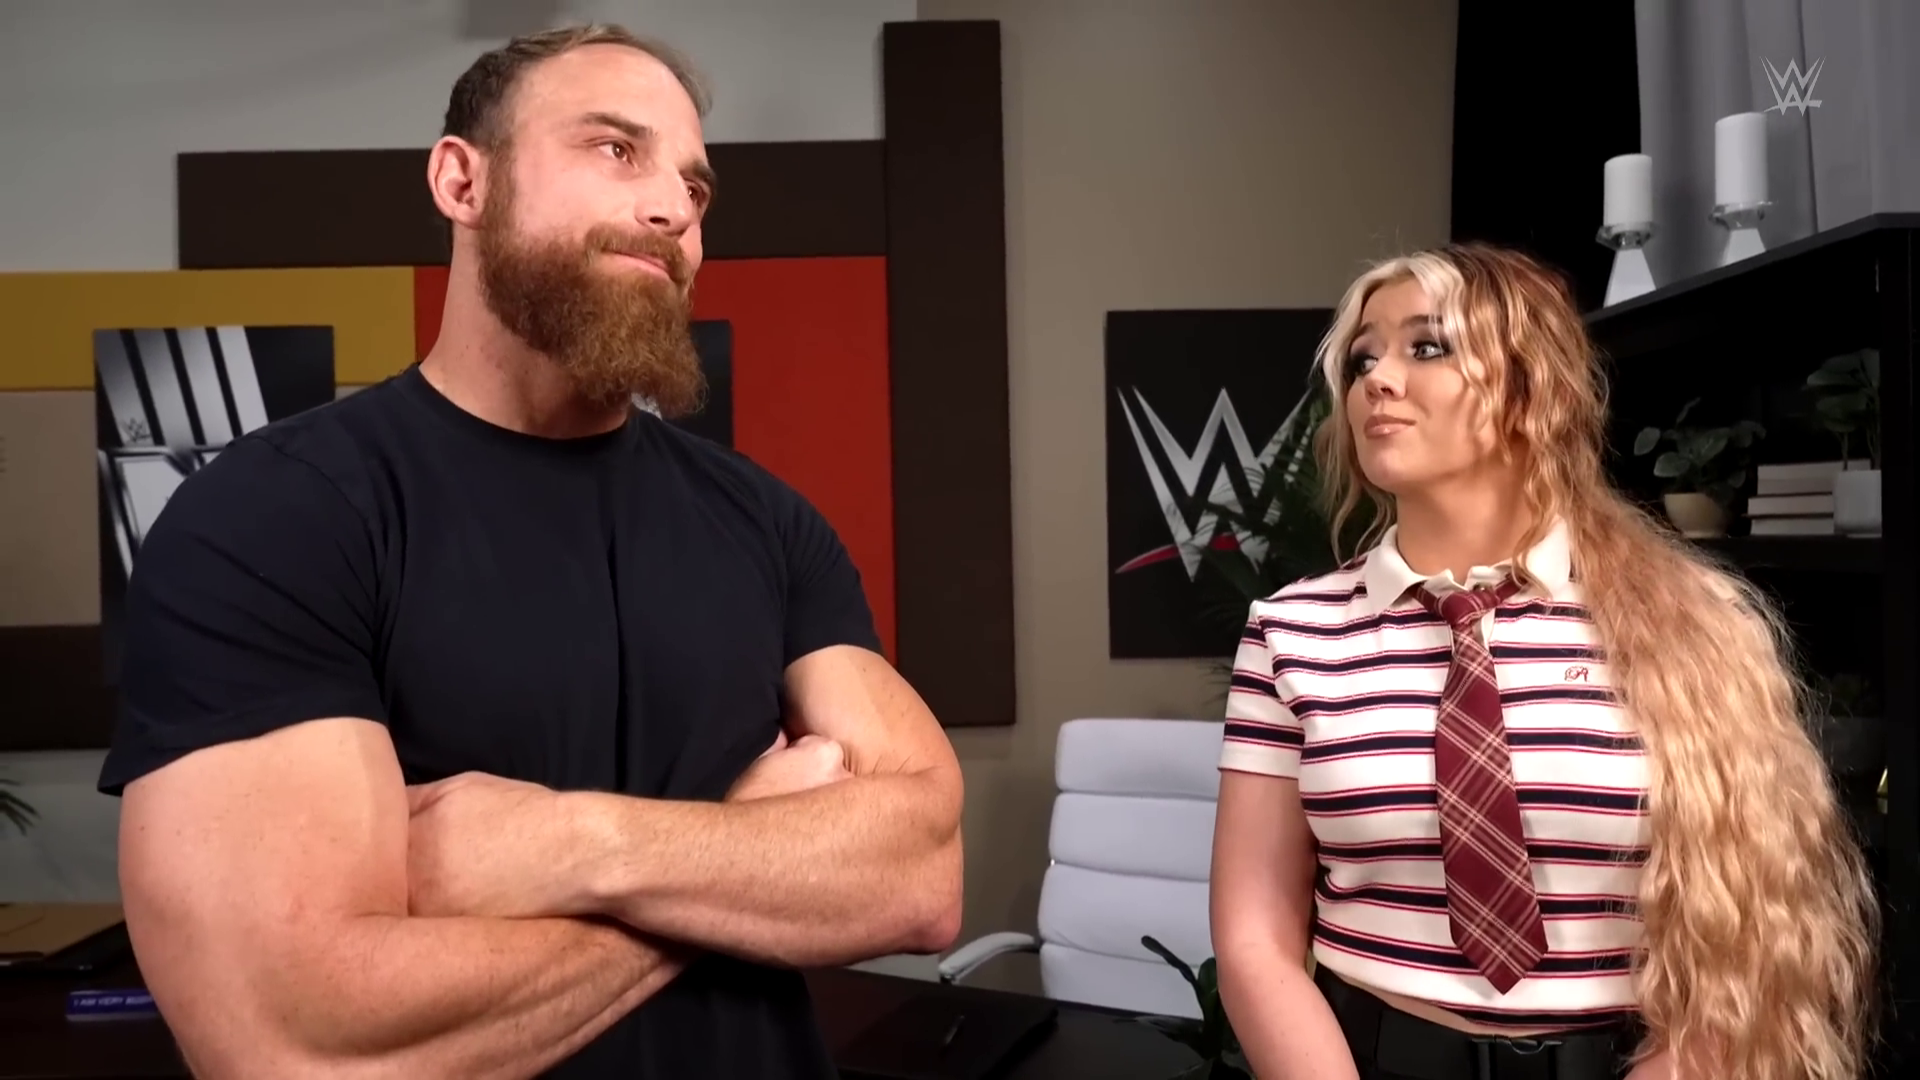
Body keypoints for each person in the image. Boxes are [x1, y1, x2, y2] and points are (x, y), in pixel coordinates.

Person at [99, 24, 964, 1080]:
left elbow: (921, 876)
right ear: (462, 181)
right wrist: (745, 851)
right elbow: (291, 1037)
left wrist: (567, 847)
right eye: (615, 149)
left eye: (696, 187)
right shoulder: (273, 518)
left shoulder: (767, 522)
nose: (674, 208)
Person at [1208, 243, 1877, 1080]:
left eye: (1428, 346)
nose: (1379, 381)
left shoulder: (1693, 623)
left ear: (1531, 386)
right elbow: (1254, 936)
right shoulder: (1292, 633)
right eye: (1363, 359)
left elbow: (1754, 929)